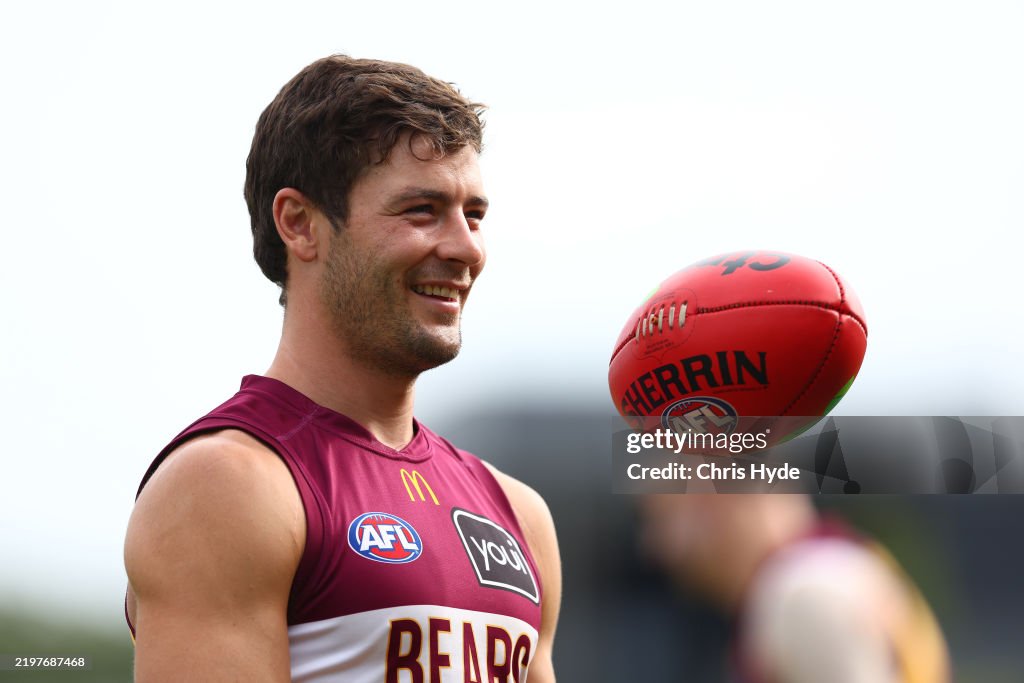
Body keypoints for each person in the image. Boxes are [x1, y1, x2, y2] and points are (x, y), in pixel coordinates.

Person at [123, 55, 561, 683]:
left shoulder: (519, 513)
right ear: (300, 224)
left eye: (475, 215)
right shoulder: (229, 484)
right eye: (421, 210)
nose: (466, 246)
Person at [639, 494, 950, 683]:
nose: (654, 546)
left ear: (718, 502)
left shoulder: (804, 596)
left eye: (664, 517)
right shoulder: (832, 567)